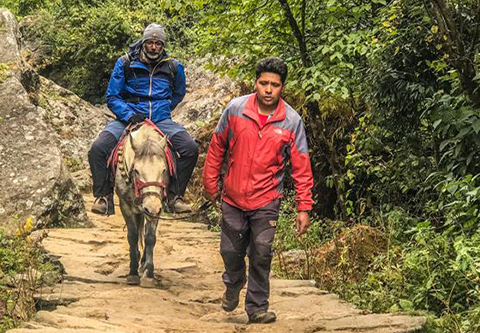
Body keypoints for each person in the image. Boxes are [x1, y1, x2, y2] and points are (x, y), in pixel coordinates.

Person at [202, 57, 314, 324]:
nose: (268, 89)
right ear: (255, 83)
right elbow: (217, 147)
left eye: (274, 85)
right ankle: (233, 284)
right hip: (233, 197)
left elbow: (301, 165)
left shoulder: (291, 121)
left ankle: (257, 307)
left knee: (262, 253)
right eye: (263, 83)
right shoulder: (235, 109)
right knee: (230, 253)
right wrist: (210, 183)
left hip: (267, 200)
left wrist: (304, 207)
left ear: (282, 88)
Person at [88, 23, 198, 215]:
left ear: (163, 45)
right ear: (143, 42)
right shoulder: (125, 63)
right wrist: (129, 114)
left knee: (190, 148)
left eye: (158, 43)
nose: (154, 47)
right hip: (128, 118)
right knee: (98, 149)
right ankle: (104, 197)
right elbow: (112, 97)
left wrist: (163, 109)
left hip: (161, 120)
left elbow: (179, 93)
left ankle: (175, 196)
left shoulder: (173, 66)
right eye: (150, 42)